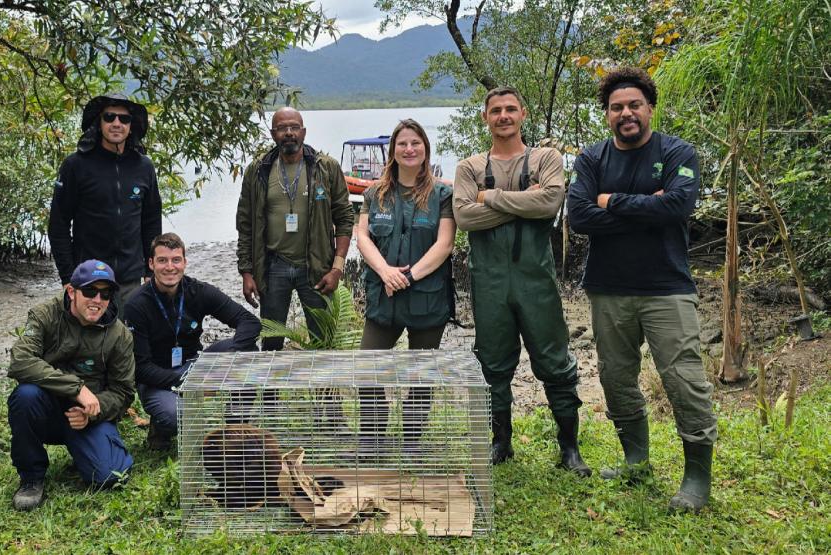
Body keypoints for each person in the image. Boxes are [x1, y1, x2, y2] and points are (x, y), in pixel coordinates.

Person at [567, 67, 717, 512]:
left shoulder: (676, 151)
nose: (626, 113)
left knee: (684, 380)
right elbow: (578, 217)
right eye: (617, 107)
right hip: (608, 288)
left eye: (634, 105)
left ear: (650, 108)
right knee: (616, 378)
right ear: (607, 114)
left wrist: (611, 202)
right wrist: (647, 206)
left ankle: (697, 479)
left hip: (666, 288)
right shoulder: (592, 160)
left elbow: (678, 206)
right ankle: (636, 460)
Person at [453, 87, 589, 473]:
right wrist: (521, 204)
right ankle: (501, 442)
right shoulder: (469, 167)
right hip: (490, 282)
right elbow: (464, 217)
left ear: (523, 114)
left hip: (536, 281)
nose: (503, 116)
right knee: (493, 364)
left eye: (510, 109)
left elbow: (549, 203)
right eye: (495, 110)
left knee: (555, 362)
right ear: (486, 118)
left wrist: (489, 198)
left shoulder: (545, 158)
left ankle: (569, 448)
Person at [355, 119, 456, 446]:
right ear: (393, 151)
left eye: (416, 143)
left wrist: (407, 276)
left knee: (421, 374)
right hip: (383, 298)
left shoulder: (442, 194)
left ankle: (412, 439)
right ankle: (373, 437)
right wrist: (385, 272)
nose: (409, 149)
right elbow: (362, 236)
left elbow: (444, 244)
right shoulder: (374, 193)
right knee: (367, 369)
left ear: (425, 148)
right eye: (403, 144)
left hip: (427, 299)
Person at [7, 260, 135, 511]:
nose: (97, 299)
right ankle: (31, 478)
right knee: (25, 396)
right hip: (47, 409)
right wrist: (77, 389)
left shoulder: (120, 335)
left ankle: (89, 450)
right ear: (71, 291)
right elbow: (20, 361)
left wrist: (93, 413)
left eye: (105, 294)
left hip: (87, 415)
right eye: (90, 291)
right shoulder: (45, 314)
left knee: (110, 477)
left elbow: (123, 392)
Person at [124, 233, 261, 450]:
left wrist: (230, 358)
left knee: (248, 352)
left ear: (185, 262)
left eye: (176, 260)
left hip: (194, 364)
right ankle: (160, 428)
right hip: (156, 376)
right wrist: (183, 382)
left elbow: (249, 322)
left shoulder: (198, 290)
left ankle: (235, 425)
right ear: (151, 264)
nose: (170, 267)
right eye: (162, 260)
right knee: (174, 416)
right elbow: (140, 368)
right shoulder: (136, 304)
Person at [236, 107, 354, 350]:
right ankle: (272, 388)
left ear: (303, 132)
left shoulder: (326, 168)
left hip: (316, 266)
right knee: (271, 340)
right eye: (282, 128)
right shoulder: (258, 170)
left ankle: (322, 388)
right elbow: (245, 224)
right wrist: (247, 272)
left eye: (294, 127)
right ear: (273, 133)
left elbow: (344, 218)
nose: (288, 133)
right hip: (273, 266)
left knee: (323, 339)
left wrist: (337, 269)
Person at [48, 92, 162, 315]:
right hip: (89, 279)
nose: (116, 124)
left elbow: (151, 221)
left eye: (124, 119)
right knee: (89, 345)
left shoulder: (144, 167)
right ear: (99, 123)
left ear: (132, 125)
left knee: (130, 344)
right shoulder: (76, 165)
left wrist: (151, 271)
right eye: (109, 117)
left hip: (131, 280)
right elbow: (58, 225)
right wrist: (68, 276)